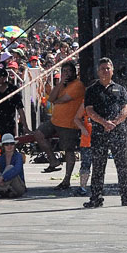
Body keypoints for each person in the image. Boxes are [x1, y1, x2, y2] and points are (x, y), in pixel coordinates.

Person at [82, 58, 127, 208]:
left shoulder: (120, 89)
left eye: (108, 68)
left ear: (112, 71)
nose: (105, 71)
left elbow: (126, 108)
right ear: (98, 71)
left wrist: (116, 122)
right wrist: (104, 122)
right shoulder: (91, 90)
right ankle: (96, 198)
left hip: (118, 131)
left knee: (123, 165)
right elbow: (89, 110)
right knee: (99, 166)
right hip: (99, 132)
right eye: (102, 69)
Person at [44, 62, 86, 190]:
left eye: (69, 71)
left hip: (69, 123)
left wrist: (56, 100)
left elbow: (62, 100)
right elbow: (51, 99)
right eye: (64, 71)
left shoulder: (78, 85)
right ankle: (53, 160)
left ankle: (66, 180)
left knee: (69, 151)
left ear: (74, 72)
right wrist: (60, 83)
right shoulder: (62, 85)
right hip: (55, 121)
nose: (66, 74)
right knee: (38, 134)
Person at [0, 133, 26, 199]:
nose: (9, 146)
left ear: (14, 145)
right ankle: (6, 190)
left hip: (18, 187)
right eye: (6, 144)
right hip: (5, 186)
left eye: (11, 144)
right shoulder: (0, 158)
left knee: (10, 167)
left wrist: (3, 178)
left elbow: (17, 170)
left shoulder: (18, 156)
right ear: (3, 146)